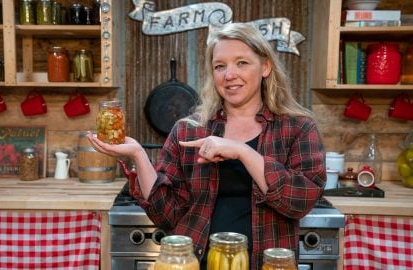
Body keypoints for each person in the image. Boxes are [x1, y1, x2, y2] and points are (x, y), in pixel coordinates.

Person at [87, 22, 326, 269]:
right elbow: (166, 215)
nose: (229, 74)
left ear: (265, 67)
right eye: (220, 66)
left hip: (266, 264)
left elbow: (300, 201)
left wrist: (243, 152)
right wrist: (138, 155)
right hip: (196, 262)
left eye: (241, 62)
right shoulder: (189, 130)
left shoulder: (297, 128)